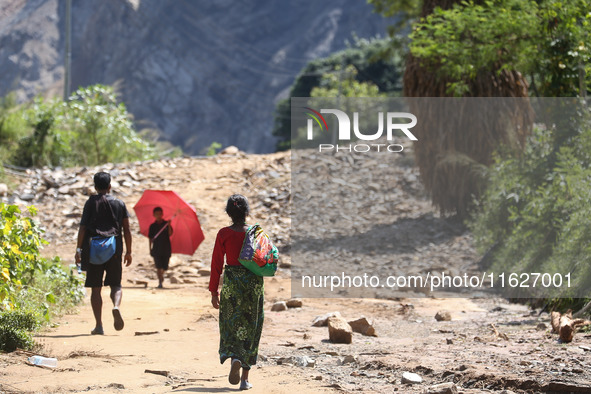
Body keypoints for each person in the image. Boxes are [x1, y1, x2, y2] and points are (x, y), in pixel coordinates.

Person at [209, 194, 263, 391]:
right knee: (251, 325)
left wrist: (214, 291)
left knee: (231, 323)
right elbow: (265, 258)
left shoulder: (223, 234)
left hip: (232, 283)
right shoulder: (255, 233)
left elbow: (216, 264)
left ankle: (234, 359)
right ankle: (245, 379)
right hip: (253, 284)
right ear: (246, 212)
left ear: (229, 213)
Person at [75, 172, 132, 335]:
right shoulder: (119, 203)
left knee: (95, 288)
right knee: (116, 284)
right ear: (109, 186)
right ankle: (116, 306)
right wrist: (129, 252)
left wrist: (79, 249)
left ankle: (99, 325)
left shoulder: (90, 203)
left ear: (95, 186)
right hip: (114, 249)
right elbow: (126, 229)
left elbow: (83, 228)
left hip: (93, 248)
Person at [148, 206, 173, 288]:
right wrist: (150, 249)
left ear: (162, 214)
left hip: (166, 249)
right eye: (156, 214)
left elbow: (170, 234)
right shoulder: (152, 226)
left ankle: (161, 276)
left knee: (165, 267)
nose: (158, 215)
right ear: (153, 215)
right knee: (158, 266)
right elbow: (150, 238)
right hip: (156, 249)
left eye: (159, 214)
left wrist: (169, 225)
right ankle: (160, 281)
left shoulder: (166, 224)